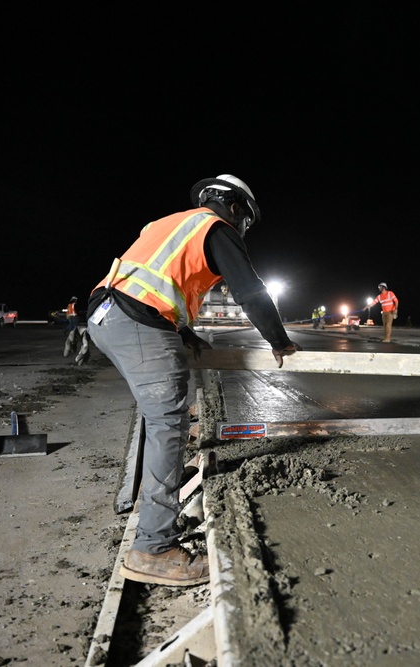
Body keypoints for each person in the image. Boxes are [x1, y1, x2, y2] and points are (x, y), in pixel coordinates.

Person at [86, 174, 300, 586]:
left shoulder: (167, 223)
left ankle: (157, 503)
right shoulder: (214, 228)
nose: (242, 231)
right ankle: (152, 549)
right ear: (235, 208)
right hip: (136, 321)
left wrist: (184, 332)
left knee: (161, 414)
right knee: (170, 421)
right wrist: (279, 340)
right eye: (245, 222)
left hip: (107, 313)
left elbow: (153, 280)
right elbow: (250, 291)